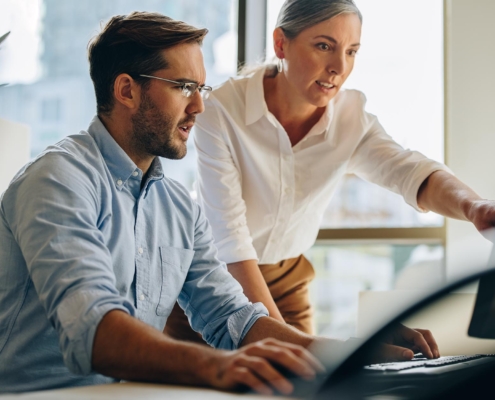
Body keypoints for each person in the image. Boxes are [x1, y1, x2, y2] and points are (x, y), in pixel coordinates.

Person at [0, 10, 441, 396]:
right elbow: (93, 330)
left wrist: (354, 354)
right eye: (183, 86)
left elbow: (236, 319)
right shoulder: (57, 180)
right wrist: (219, 367)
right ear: (126, 90)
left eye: (202, 88)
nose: (199, 106)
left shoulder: (177, 207)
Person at [164, 0, 495, 341]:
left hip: (288, 280)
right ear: (281, 44)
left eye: (352, 51)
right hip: (212, 283)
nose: (339, 66)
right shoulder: (220, 110)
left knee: (312, 390)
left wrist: (474, 207)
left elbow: (409, 172)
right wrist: (305, 348)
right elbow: (230, 242)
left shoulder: (351, 116)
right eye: (324, 46)